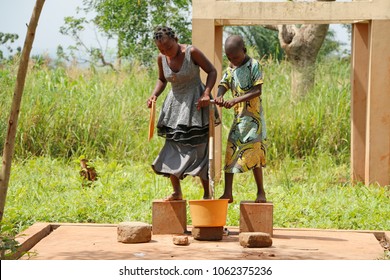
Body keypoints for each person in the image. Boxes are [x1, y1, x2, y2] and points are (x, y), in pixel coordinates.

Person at [147, 26, 218, 201]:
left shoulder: (191, 52)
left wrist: (206, 93)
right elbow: (162, 79)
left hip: (196, 103)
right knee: (172, 146)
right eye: (161, 49)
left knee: (200, 148)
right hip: (174, 107)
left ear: (176, 40)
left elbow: (212, 71)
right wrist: (154, 95)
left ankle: (207, 194)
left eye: (168, 48)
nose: (166, 52)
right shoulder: (161, 58)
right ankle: (176, 192)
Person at [215, 35, 267, 204]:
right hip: (239, 119)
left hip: (254, 120)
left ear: (244, 51)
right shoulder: (231, 67)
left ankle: (261, 192)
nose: (233, 60)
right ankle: (228, 193)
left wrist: (235, 100)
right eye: (229, 58)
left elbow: (257, 90)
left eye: (236, 57)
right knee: (231, 152)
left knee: (255, 155)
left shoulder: (254, 65)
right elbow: (223, 83)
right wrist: (220, 96)